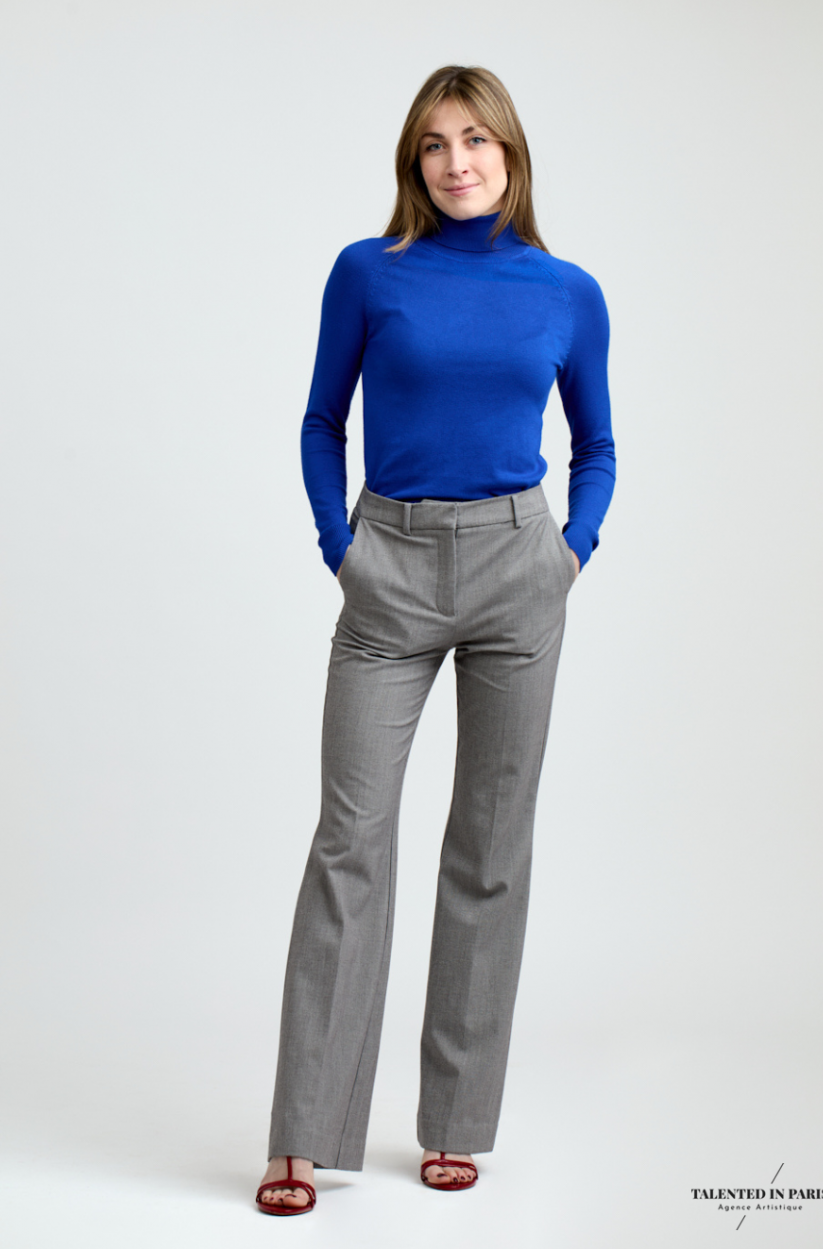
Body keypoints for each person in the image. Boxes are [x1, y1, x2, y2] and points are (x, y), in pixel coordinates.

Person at [255, 63, 616, 1216]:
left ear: (510, 152)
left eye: (475, 140)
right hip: (390, 566)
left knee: (490, 846)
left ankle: (456, 1122)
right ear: (412, 162)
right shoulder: (370, 272)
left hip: (520, 569)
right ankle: (304, 1132)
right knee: (349, 842)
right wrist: (341, 547)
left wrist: (571, 549)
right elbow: (322, 420)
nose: (456, 162)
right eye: (433, 144)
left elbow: (598, 444)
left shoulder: (567, 291)